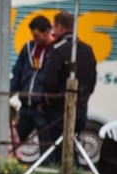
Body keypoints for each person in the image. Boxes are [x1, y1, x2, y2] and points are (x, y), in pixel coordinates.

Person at [41, 10, 97, 164]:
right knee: (72, 145)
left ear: (59, 27)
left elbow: (49, 80)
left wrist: (48, 100)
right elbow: (92, 80)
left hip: (59, 110)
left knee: (59, 149)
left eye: (54, 27)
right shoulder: (87, 50)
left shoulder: (59, 49)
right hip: (82, 108)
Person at [9, 14, 54, 150]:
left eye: (36, 35)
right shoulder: (28, 48)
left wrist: (46, 101)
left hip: (43, 109)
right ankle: (7, 169)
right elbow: (17, 73)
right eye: (32, 35)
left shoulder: (56, 50)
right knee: (14, 142)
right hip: (25, 107)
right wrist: (9, 93)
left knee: (46, 145)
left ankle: (47, 168)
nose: (34, 38)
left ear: (47, 32)